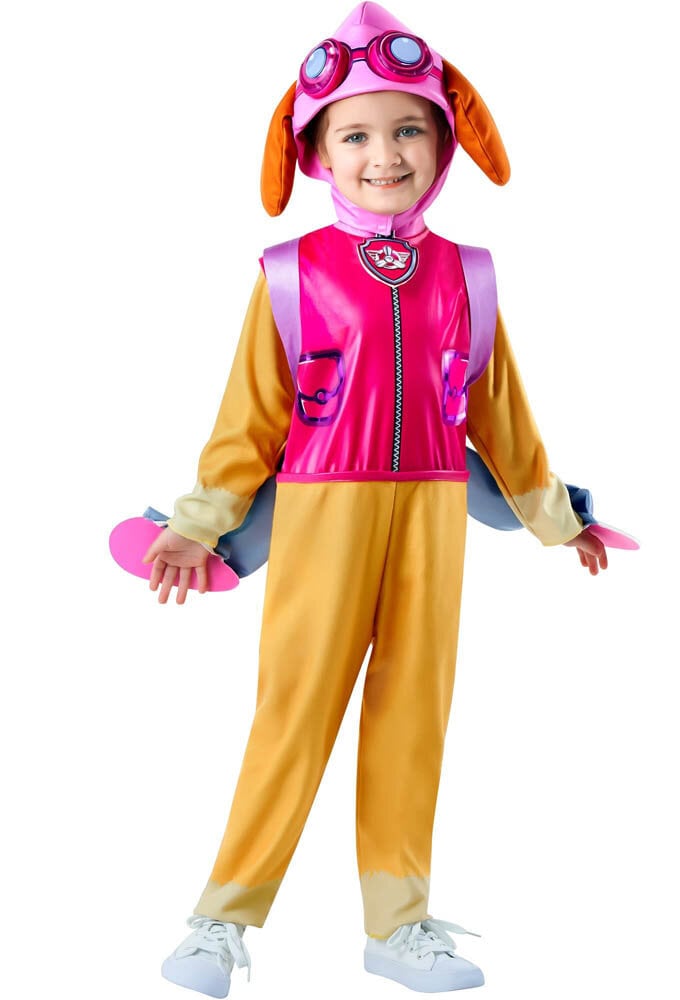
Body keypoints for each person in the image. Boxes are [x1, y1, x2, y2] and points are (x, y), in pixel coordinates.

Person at [145, 3, 608, 996]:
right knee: (295, 707)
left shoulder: (468, 274)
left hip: (434, 514)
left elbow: (504, 418)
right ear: (316, 151)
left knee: (413, 711)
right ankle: (221, 917)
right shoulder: (289, 273)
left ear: (444, 142)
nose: (384, 155)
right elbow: (248, 421)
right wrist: (197, 526)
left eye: (407, 130)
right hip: (323, 512)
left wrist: (559, 520)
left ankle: (397, 925)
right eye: (354, 135)